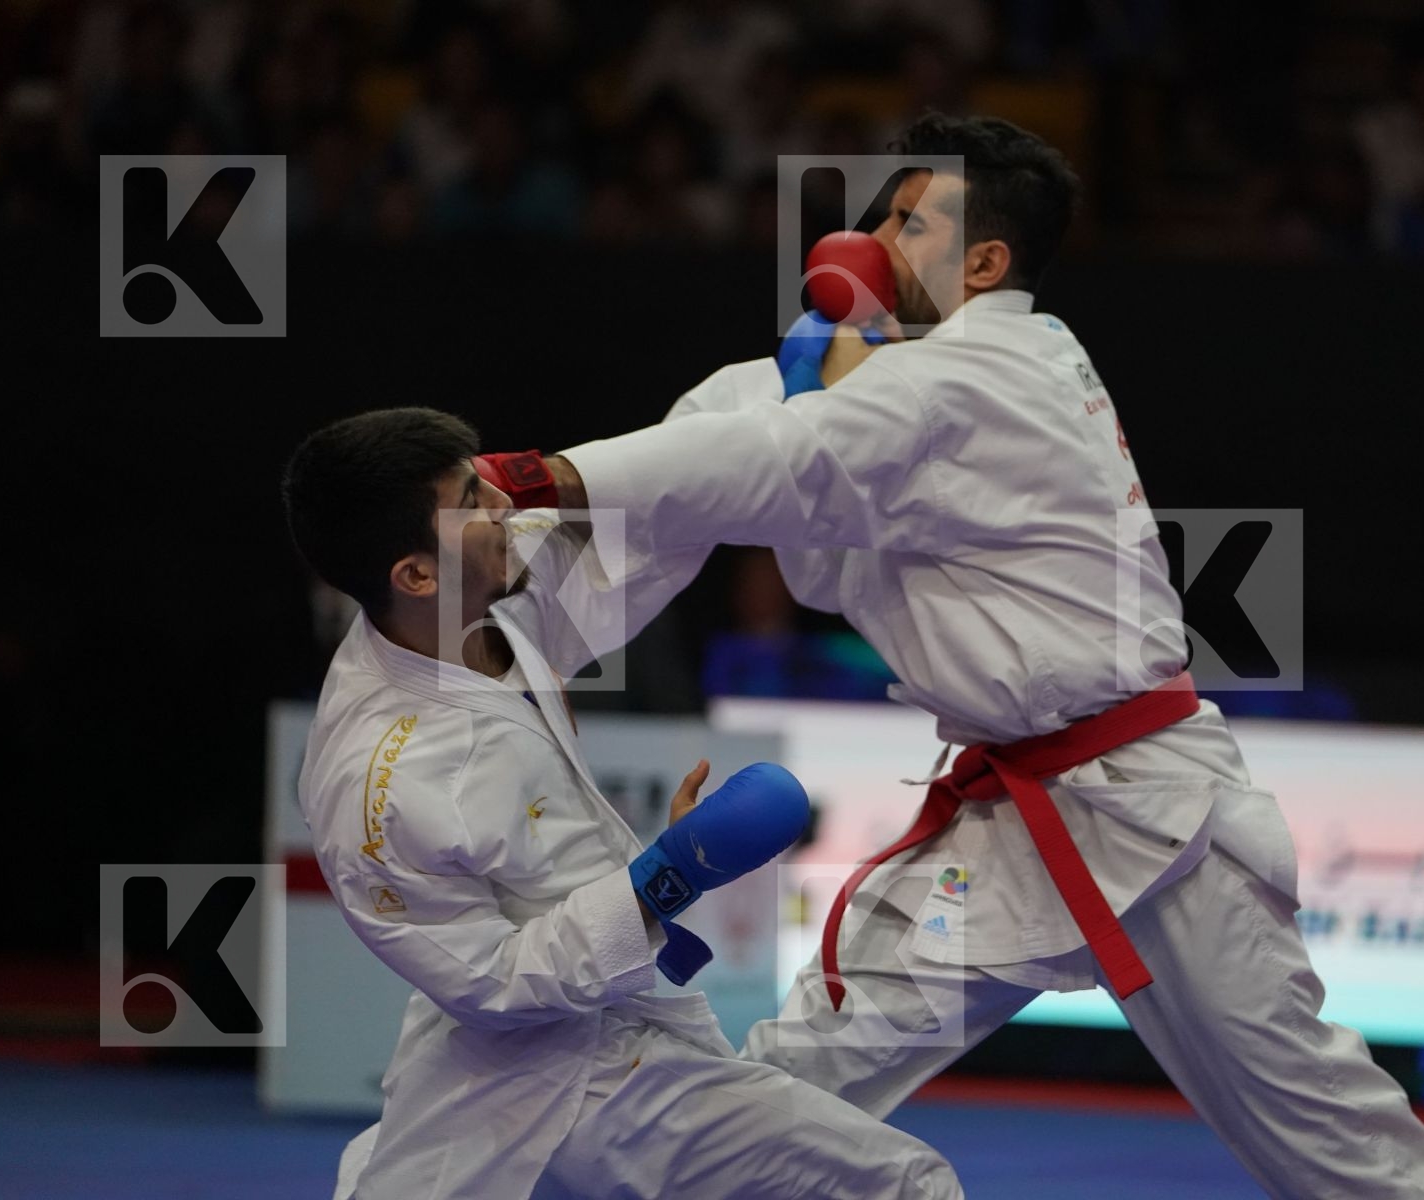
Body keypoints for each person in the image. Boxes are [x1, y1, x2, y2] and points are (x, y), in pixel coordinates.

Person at [501, 113, 1424, 1199]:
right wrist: (805, 403)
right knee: (798, 1077)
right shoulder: (945, 374)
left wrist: (554, 475)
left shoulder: (981, 367)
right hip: (1007, 824)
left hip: (1149, 815)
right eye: (881, 215)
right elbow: (818, 549)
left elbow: (775, 463)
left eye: (909, 223)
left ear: (984, 263)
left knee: (1328, 1135)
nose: (873, 242)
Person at [280, 408, 963, 1200]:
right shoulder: (379, 782)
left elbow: (664, 518)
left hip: (595, 1036)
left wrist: (795, 407)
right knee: (904, 1186)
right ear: (416, 576)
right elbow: (491, 983)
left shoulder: (481, 592)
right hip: (558, 1074)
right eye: (473, 499)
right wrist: (666, 878)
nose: (503, 504)